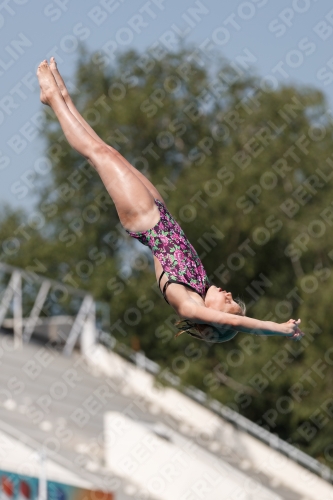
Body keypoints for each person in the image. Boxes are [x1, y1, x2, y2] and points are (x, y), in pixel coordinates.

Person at [36, 59, 304, 343]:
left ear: (210, 322)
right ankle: (62, 97)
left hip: (146, 221)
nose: (228, 295)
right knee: (106, 152)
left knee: (99, 154)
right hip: (160, 214)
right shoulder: (200, 286)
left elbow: (233, 321)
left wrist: (279, 328)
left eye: (229, 303)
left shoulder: (188, 304)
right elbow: (230, 316)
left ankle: (53, 99)